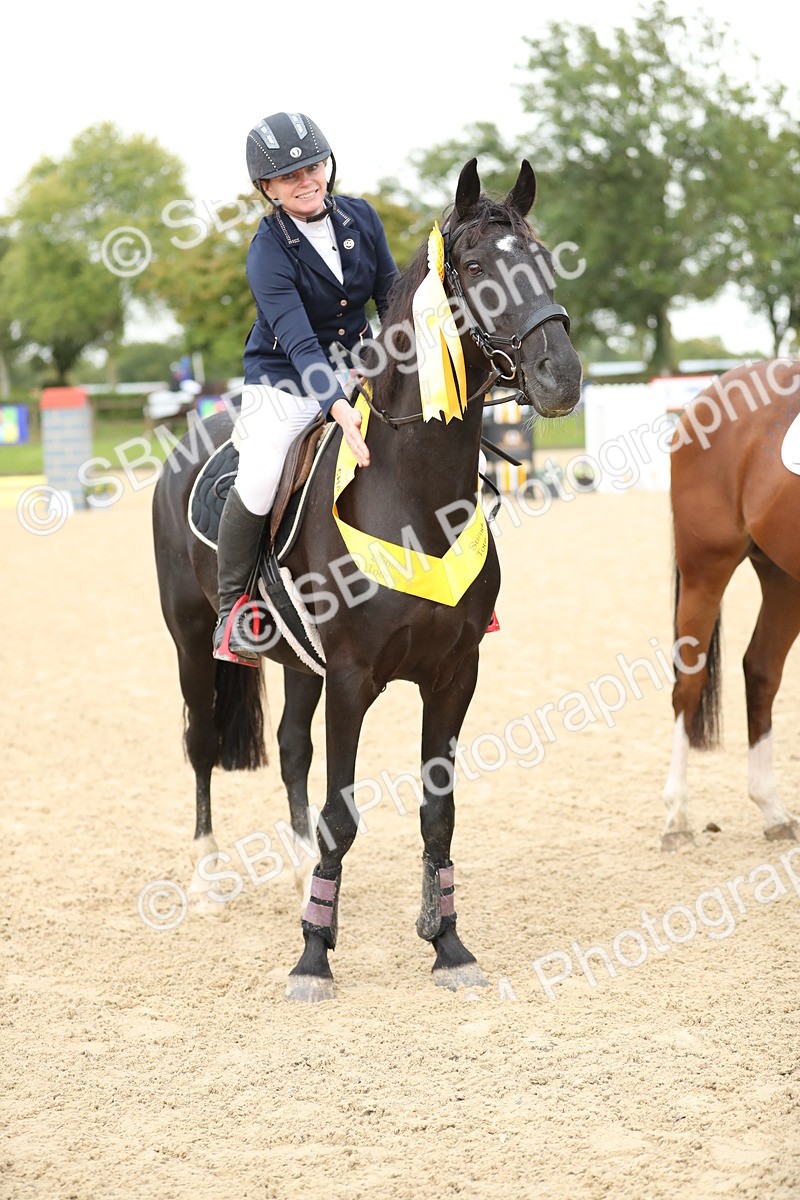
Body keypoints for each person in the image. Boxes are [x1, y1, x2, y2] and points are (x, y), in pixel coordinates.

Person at [213, 111, 400, 663]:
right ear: (267, 188)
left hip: (358, 367)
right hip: (285, 381)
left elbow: (390, 299)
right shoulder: (267, 250)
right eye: (291, 175)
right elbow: (297, 341)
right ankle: (233, 610)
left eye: (314, 165)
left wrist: (390, 359)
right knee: (265, 466)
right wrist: (337, 405)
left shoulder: (362, 218)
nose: (307, 180)